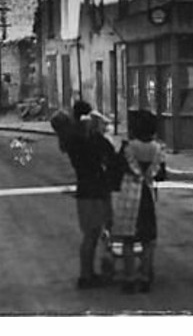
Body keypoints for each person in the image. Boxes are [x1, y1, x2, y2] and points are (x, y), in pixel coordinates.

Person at [58, 100, 117, 289]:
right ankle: (86, 275)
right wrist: (103, 128)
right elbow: (110, 155)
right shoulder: (92, 138)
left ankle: (87, 273)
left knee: (89, 234)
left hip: (84, 188)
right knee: (95, 233)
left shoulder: (72, 139)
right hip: (98, 188)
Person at [110, 109, 167, 294]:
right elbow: (161, 175)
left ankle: (129, 277)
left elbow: (116, 170)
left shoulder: (128, 148)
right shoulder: (157, 149)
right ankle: (145, 276)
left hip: (129, 196)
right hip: (147, 196)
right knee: (148, 240)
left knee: (128, 240)